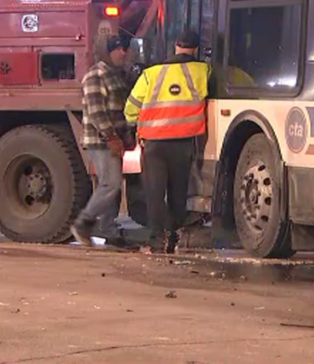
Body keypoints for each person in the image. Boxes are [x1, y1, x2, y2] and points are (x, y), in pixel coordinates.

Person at [125, 29, 211, 253]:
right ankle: (173, 236)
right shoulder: (203, 71)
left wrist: (137, 122)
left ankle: (156, 239)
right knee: (178, 192)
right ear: (195, 49)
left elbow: (130, 109)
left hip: (154, 144)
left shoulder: (151, 74)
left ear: (175, 47)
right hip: (183, 143)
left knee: (154, 192)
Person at [71, 35, 136, 249]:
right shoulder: (95, 75)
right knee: (111, 183)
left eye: (124, 48)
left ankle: (109, 228)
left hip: (115, 140)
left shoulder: (115, 75)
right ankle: (83, 224)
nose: (123, 53)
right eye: (118, 49)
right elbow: (97, 111)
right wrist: (111, 137)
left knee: (114, 186)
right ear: (108, 52)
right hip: (101, 141)